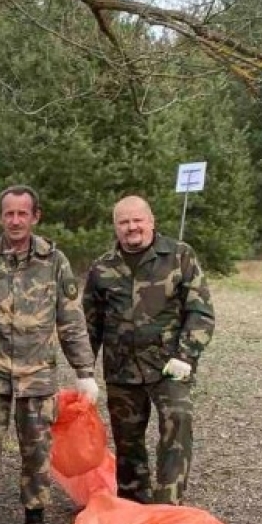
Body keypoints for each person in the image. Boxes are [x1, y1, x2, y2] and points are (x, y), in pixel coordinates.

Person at [0, 186, 99, 524]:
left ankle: (35, 514)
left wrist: (84, 371)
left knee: (37, 451)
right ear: (0, 217)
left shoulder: (54, 260)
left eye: (23, 213)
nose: (15, 220)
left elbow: (70, 318)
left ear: (35, 217)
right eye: (9, 213)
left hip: (38, 375)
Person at [81, 195, 215, 505]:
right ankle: (132, 504)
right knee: (128, 444)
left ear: (151, 221)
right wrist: (83, 372)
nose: (132, 227)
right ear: (116, 227)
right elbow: (89, 325)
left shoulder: (179, 256)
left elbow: (201, 313)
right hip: (122, 370)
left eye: (137, 220)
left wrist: (186, 355)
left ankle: (168, 504)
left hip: (169, 367)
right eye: (124, 222)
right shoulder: (102, 268)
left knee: (177, 424)